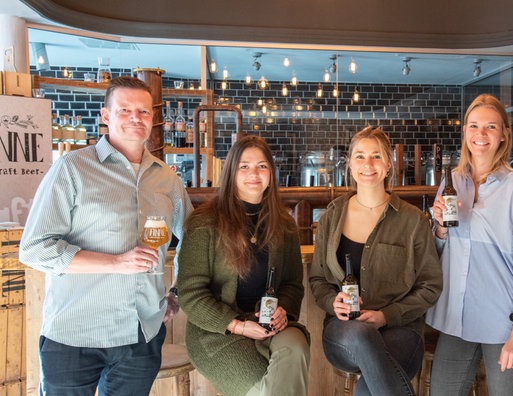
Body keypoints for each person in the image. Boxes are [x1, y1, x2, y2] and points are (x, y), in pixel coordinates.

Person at [19, 76, 193, 395]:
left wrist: (177, 292)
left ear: (152, 119)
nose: (134, 118)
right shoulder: (72, 169)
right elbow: (34, 249)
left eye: (142, 111)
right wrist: (116, 263)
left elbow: (194, 242)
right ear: (106, 116)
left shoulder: (167, 181)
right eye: (124, 109)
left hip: (141, 336)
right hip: (74, 337)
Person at [425, 94, 513, 395]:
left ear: (504, 134)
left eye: (491, 127)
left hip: (505, 323)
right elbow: (438, 252)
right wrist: (439, 228)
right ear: (465, 132)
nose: (481, 135)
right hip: (457, 319)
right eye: (474, 126)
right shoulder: (452, 181)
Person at [309, 126, 442, 396]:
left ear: (389, 164)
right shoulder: (331, 217)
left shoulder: (413, 220)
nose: (367, 164)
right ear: (349, 163)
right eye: (359, 156)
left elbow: (430, 285)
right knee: (362, 335)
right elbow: (319, 280)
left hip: (401, 330)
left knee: (368, 390)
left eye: (377, 156)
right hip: (344, 333)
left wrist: (386, 316)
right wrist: (331, 303)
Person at [177, 135, 309, 395]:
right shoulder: (205, 222)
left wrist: (284, 310)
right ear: (231, 173)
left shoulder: (284, 224)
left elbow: (293, 284)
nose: (254, 173)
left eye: (262, 166)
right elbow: (190, 293)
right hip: (218, 332)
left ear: (271, 173)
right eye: (244, 166)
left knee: (296, 345)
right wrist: (237, 325)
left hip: (269, 327)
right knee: (263, 389)